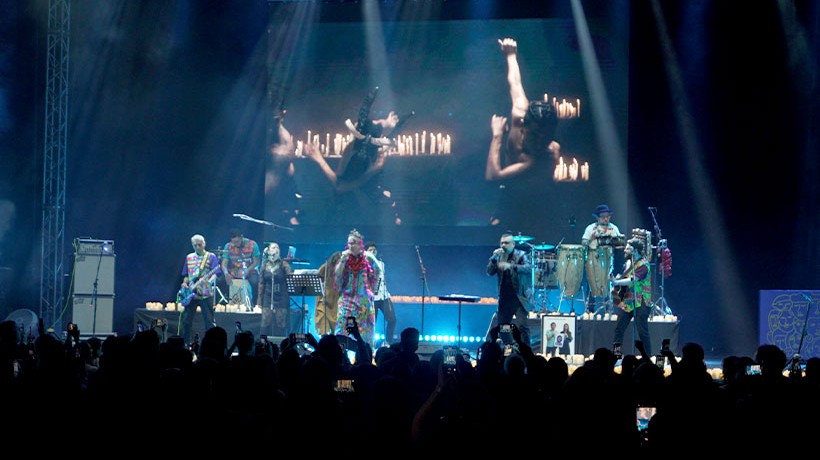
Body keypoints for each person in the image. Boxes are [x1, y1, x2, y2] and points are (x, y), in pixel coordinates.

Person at [303, 87, 407, 226]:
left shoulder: (374, 150)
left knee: (396, 218)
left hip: (367, 201)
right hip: (353, 207)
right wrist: (319, 159)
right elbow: (340, 186)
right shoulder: (355, 151)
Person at [485, 37, 560, 182]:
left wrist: (497, 135)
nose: (540, 143)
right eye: (535, 135)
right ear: (523, 127)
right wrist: (511, 54)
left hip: (523, 194)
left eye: (545, 138)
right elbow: (515, 83)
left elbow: (493, 177)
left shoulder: (532, 160)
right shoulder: (520, 111)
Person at [484, 231, 533, 345]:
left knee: (522, 327)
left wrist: (511, 266)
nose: (503, 246)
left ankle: (526, 352)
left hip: (519, 298)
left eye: (506, 243)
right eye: (501, 243)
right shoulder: (498, 257)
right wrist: (493, 258)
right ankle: (510, 348)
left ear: (513, 244)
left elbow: (529, 269)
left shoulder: (521, 255)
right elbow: (489, 272)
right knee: (503, 327)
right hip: (505, 299)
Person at [333, 229, 381, 347]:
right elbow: (337, 276)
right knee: (341, 327)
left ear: (360, 244)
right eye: (349, 243)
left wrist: (371, 290)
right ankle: (340, 354)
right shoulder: (344, 258)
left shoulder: (368, 257)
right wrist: (342, 261)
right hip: (346, 299)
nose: (351, 245)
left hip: (363, 299)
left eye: (353, 242)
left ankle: (363, 355)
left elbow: (377, 271)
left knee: (363, 331)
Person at [611, 238, 652, 356]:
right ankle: (616, 356)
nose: (625, 250)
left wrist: (618, 282)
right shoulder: (629, 263)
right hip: (628, 301)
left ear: (635, 250)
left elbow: (633, 280)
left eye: (628, 248)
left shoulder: (644, 265)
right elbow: (624, 278)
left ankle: (647, 357)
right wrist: (617, 280)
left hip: (641, 301)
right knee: (619, 328)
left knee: (642, 331)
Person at [178, 234, 221, 347]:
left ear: (204, 244)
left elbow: (215, 273)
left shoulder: (211, 257)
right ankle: (186, 344)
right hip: (191, 294)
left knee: (209, 321)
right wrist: (184, 283)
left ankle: (211, 345)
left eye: (199, 244)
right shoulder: (189, 257)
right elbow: (186, 275)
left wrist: (209, 282)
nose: (197, 247)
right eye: (195, 245)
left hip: (205, 294)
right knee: (186, 321)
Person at [582, 204, 625, 313]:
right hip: (594, 256)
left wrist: (617, 240)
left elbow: (620, 243)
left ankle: (608, 309)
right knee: (593, 281)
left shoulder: (613, 228)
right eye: (603, 216)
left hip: (608, 257)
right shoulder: (591, 228)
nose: (606, 218)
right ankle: (590, 309)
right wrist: (591, 238)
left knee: (608, 281)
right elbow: (583, 244)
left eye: (607, 216)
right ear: (597, 217)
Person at [257, 242, 294, 338]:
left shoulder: (283, 264)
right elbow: (261, 283)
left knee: (280, 322)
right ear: (268, 251)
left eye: (277, 248)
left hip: (281, 296)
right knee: (265, 321)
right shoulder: (264, 265)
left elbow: (290, 276)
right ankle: (263, 344)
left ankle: (280, 344)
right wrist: (259, 301)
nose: (276, 249)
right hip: (268, 295)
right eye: (273, 248)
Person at [365, 241, 397, 346]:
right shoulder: (363, 265)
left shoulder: (381, 264)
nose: (373, 252)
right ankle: (370, 344)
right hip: (371, 298)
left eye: (374, 250)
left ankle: (388, 342)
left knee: (392, 319)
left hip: (384, 296)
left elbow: (384, 279)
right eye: (370, 250)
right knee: (371, 323)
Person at [220, 228, 261, 311]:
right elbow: (224, 263)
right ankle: (228, 304)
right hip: (235, 270)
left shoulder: (252, 244)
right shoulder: (228, 246)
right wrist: (226, 273)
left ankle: (255, 304)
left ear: (241, 237)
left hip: (250, 268)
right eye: (233, 242)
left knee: (255, 281)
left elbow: (256, 262)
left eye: (237, 242)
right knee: (221, 281)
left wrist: (248, 270)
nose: (236, 244)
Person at [314, 251, 342, 335]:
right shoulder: (325, 268)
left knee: (337, 329)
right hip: (324, 301)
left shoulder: (343, 270)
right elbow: (316, 278)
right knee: (323, 327)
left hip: (336, 301)